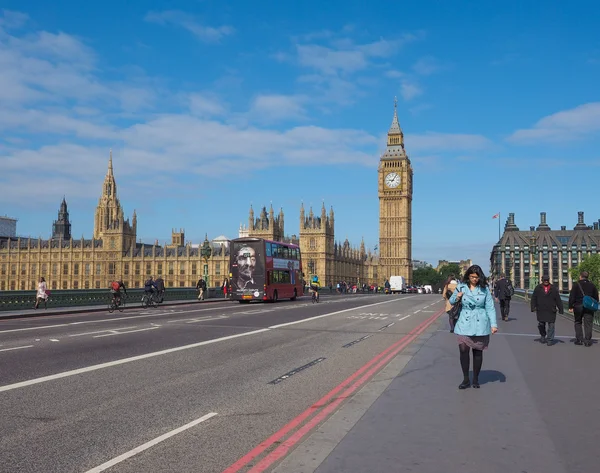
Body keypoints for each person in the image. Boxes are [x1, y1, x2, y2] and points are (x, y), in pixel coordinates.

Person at [450, 265, 498, 390]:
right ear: (468, 276)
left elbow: (490, 307)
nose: (474, 279)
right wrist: (457, 296)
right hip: (464, 322)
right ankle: (466, 379)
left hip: (480, 321)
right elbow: (451, 301)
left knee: (477, 351)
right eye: (472, 277)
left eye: (476, 277)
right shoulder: (461, 287)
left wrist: (493, 324)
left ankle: (475, 378)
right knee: (463, 350)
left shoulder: (484, 289)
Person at [568, 270, 599, 347]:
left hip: (578, 306)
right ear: (587, 277)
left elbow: (572, 297)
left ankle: (579, 340)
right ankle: (587, 341)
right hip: (588, 307)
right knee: (588, 324)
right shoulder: (592, 285)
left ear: (580, 276)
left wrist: (570, 306)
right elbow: (596, 298)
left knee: (578, 322)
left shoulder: (576, 285)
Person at [530, 275, 563, 346]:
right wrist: (533, 307)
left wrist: (561, 309)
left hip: (551, 309)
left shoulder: (553, 288)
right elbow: (534, 298)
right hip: (541, 309)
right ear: (542, 280)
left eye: (547, 280)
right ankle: (543, 335)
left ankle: (550, 339)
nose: (546, 281)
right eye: (545, 280)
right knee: (541, 324)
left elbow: (558, 299)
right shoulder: (538, 288)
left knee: (551, 325)